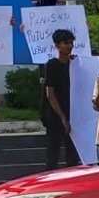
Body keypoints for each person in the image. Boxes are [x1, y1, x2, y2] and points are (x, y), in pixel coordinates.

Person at [42, 30, 81, 171]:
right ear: (57, 45)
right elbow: (50, 94)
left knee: (72, 154)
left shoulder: (75, 64)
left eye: (71, 42)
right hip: (55, 115)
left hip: (73, 113)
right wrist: (62, 117)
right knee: (53, 151)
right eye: (66, 43)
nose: (70, 46)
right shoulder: (52, 65)